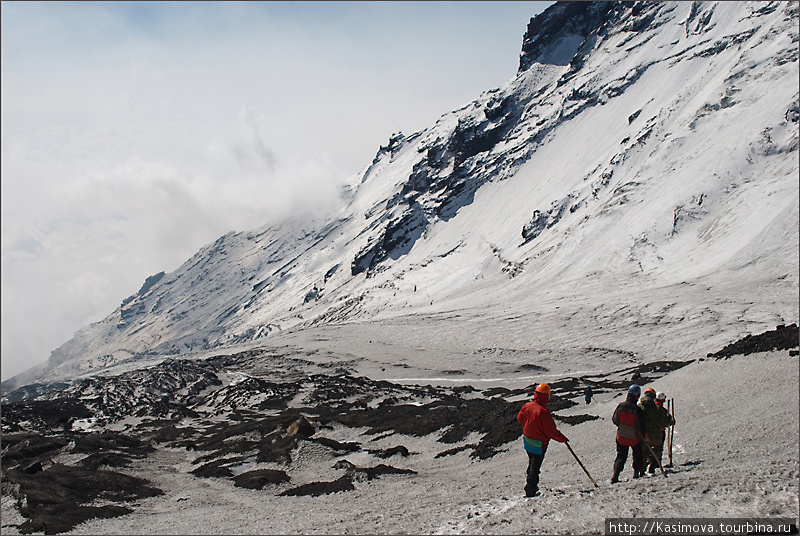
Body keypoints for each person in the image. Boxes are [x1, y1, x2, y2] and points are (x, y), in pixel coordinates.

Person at [517, 383, 569, 497]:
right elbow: (551, 432)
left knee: (532, 463)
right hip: (539, 444)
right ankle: (531, 490)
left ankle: (530, 484)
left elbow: (520, 418)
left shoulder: (527, 406)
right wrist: (563, 439)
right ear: (546, 397)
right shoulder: (543, 412)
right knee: (535, 467)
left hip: (527, 440)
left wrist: (530, 426)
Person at [611, 384, 647, 483]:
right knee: (637, 455)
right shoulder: (637, 409)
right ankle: (636, 473)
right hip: (634, 438)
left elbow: (615, 420)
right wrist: (642, 436)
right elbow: (641, 425)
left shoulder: (621, 406)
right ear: (637, 396)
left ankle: (616, 474)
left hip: (621, 436)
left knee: (621, 455)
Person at [638, 388, 672, 474]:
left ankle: (641, 470)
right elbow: (665, 422)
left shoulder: (639, 407)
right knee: (657, 449)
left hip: (643, 435)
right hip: (656, 434)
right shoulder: (658, 409)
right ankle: (653, 467)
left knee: (643, 453)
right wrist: (670, 420)